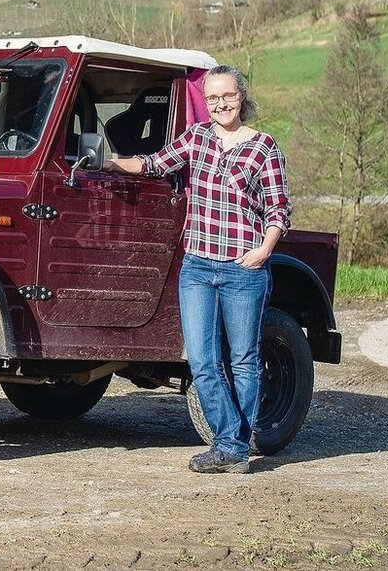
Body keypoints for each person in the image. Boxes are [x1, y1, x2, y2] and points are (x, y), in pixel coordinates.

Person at [103, 64, 291, 474]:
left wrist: (263, 252)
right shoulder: (197, 138)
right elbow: (154, 164)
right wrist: (111, 164)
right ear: (205, 102)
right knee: (202, 361)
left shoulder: (263, 147)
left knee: (243, 359)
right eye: (213, 98)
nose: (221, 103)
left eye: (228, 95)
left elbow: (278, 209)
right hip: (198, 268)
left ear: (242, 97)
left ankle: (233, 447)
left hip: (244, 268)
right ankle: (231, 441)